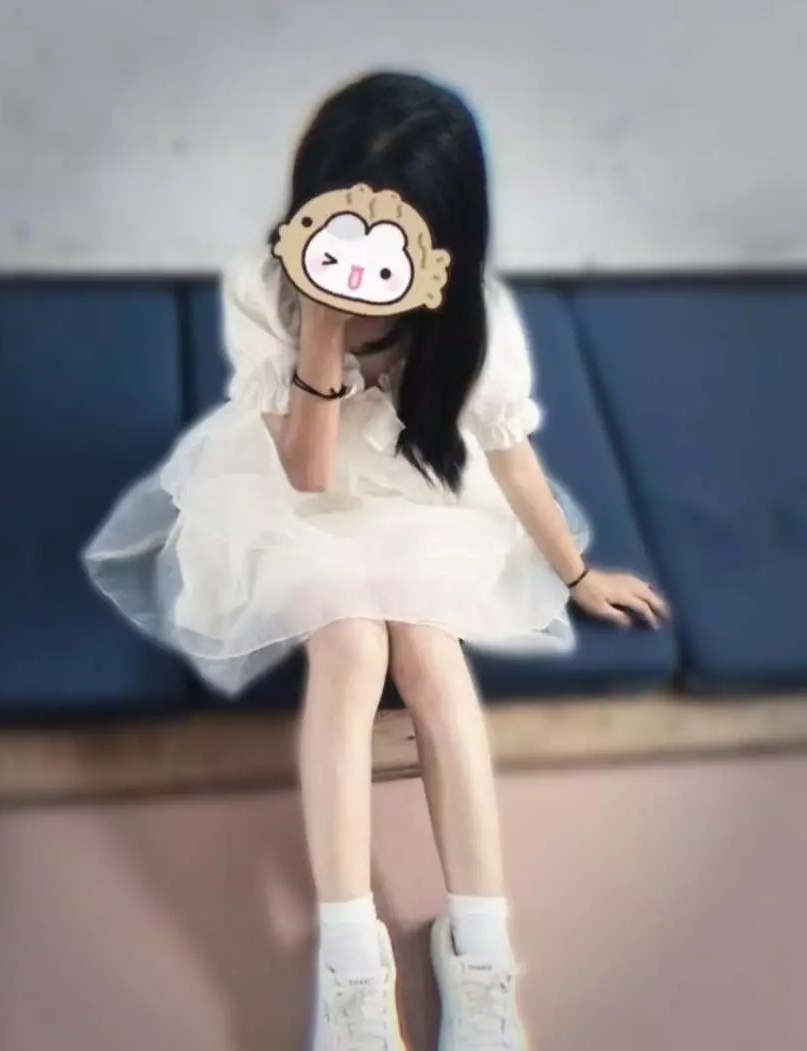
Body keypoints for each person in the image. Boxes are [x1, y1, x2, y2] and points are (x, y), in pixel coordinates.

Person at [85, 70, 669, 1051]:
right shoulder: (263, 289)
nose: (358, 262)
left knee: (430, 655)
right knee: (353, 646)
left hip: (413, 490)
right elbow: (307, 475)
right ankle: (351, 961)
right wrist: (322, 330)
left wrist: (578, 574)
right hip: (293, 488)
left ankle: (479, 948)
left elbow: (510, 458)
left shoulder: (472, 319)